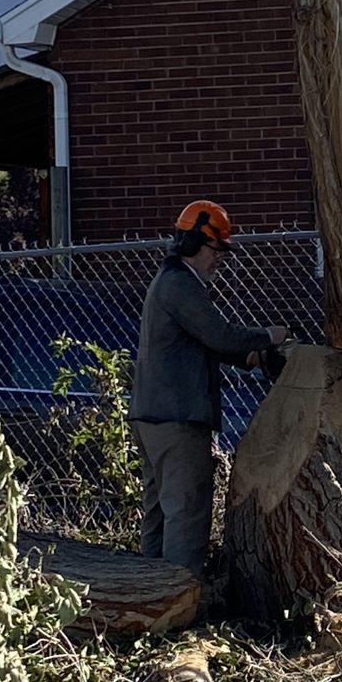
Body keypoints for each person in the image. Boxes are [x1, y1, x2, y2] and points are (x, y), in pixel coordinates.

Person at [127, 199, 288, 578]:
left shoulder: (172, 282)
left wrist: (250, 358)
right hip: (176, 418)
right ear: (194, 243)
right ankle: (181, 597)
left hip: (155, 415)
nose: (220, 260)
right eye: (217, 251)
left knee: (161, 513)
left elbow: (202, 342)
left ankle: (148, 594)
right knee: (186, 512)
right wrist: (269, 336)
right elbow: (218, 333)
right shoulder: (181, 284)